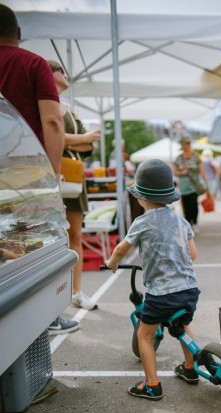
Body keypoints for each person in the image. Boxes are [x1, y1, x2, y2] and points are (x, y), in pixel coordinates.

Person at [0, 4, 79, 334]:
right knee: (34, 246)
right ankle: (44, 320)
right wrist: (52, 173)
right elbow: (51, 120)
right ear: (19, 33)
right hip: (26, 173)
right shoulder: (32, 63)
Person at [105, 159, 200, 401]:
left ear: (141, 197)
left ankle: (152, 384)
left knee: (144, 335)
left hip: (161, 293)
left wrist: (111, 264)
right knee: (183, 325)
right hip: (189, 289)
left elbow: (120, 250)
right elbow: (194, 254)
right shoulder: (181, 220)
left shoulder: (143, 222)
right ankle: (190, 369)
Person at [48, 59, 101, 311]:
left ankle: (77, 291)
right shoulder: (47, 105)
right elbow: (52, 136)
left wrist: (73, 139)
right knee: (53, 237)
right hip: (55, 174)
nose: (65, 74)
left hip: (73, 176)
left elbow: (89, 145)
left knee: (75, 235)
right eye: (61, 70)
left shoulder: (68, 108)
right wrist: (82, 138)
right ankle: (59, 294)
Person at [173, 136, 209, 233]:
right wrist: (182, 173)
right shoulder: (179, 158)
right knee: (186, 205)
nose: (183, 146)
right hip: (183, 186)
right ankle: (188, 223)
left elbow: (202, 171)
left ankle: (195, 222)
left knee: (193, 204)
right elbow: (174, 171)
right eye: (182, 144)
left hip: (194, 185)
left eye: (184, 144)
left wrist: (206, 184)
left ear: (188, 144)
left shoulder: (195, 157)